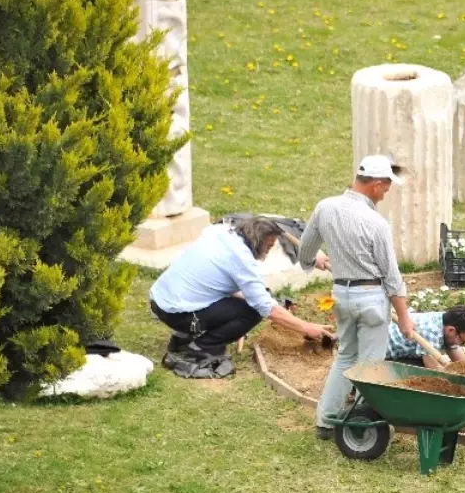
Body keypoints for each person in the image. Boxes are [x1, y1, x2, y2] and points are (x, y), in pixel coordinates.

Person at [298, 153, 415, 440]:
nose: (386, 194)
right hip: (372, 298)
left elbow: (305, 252)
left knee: (346, 358)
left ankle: (326, 421)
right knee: (372, 366)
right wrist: (404, 318)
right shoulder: (376, 223)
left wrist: (317, 260)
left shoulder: (325, 208)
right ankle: (364, 426)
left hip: (342, 294)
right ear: (376, 184)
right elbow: (391, 277)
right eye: (386, 188)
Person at [150, 218, 333, 379]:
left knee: (253, 300)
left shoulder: (222, 233)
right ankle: (200, 347)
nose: (270, 250)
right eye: (269, 245)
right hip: (177, 312)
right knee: (253, 311)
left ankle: (188, 336)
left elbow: (226, 287)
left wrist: (310, 253)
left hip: (161, 300)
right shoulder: (241, 260)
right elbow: (265, 308)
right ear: (258, 240)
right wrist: (306, 327)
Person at [385, 305, 465, 369]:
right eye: (462, 341)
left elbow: (462, 363)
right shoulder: (431, 330)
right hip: (383, 355)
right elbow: (433, 367)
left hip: (404, 353)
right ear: (451, 330)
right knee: (423, 373)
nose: (461, 345)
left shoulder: (449, 323)